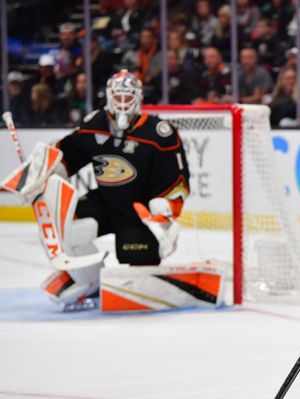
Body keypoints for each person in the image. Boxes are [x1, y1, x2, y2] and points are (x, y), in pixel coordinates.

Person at [6, 70, 190, 306]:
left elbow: (177, 180)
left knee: (138, 257)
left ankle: (142, 278)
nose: (123, 104)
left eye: (128, 97)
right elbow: (66, 156)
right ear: (109, 97)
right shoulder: (94, 124)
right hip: (105, 201)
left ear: (139, 97)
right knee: (67, 220)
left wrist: (164, 212)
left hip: (138, 212)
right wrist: (36, 178)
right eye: (118, 97)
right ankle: (88, 279)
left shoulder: (159, 133)